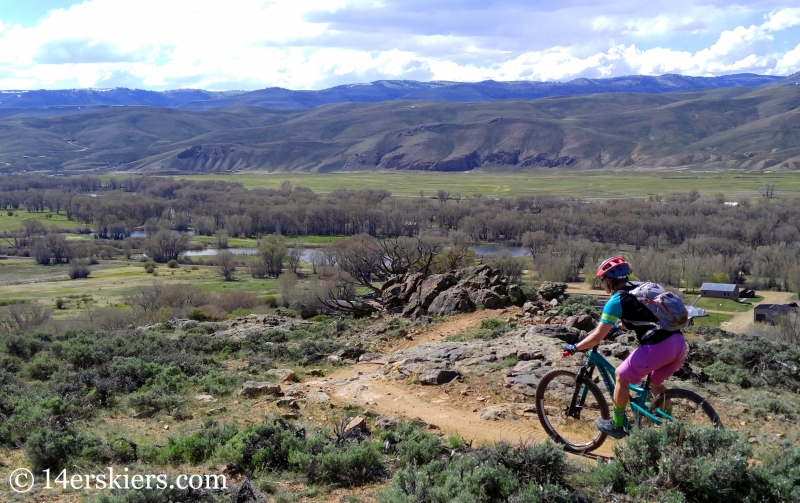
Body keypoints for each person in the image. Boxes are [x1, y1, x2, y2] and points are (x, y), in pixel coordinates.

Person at [563, 256, 688, 439]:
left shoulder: (616, 301)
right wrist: (619, 326)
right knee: (655, 384)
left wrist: (575, 347)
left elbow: (597, 336)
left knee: (621, 376)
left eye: (602, 280)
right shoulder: (638, 290)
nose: (602, 284)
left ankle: (616, 424)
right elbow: (644, 317)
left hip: (660, 347)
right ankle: (669, 428)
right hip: (678, 344)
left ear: (609, 280)